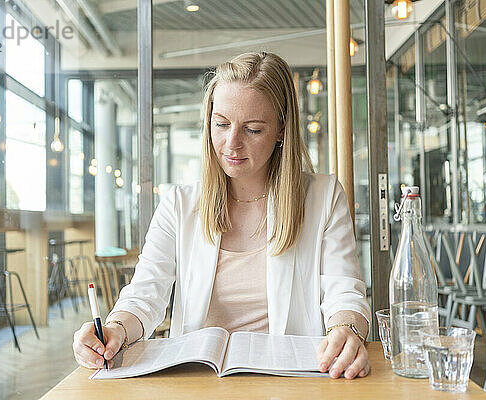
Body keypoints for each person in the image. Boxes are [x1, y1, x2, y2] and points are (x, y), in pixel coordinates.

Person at [73, 51, 371, 379]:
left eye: (253, 130)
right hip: (201, 382)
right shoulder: (179, 204)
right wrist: (116, 329)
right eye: (221, 124)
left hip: (291, 382)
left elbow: (344, 291)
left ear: (281, 128)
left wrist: (347, 330)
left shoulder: (324, 197)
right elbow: (146, 293)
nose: (231, 143)